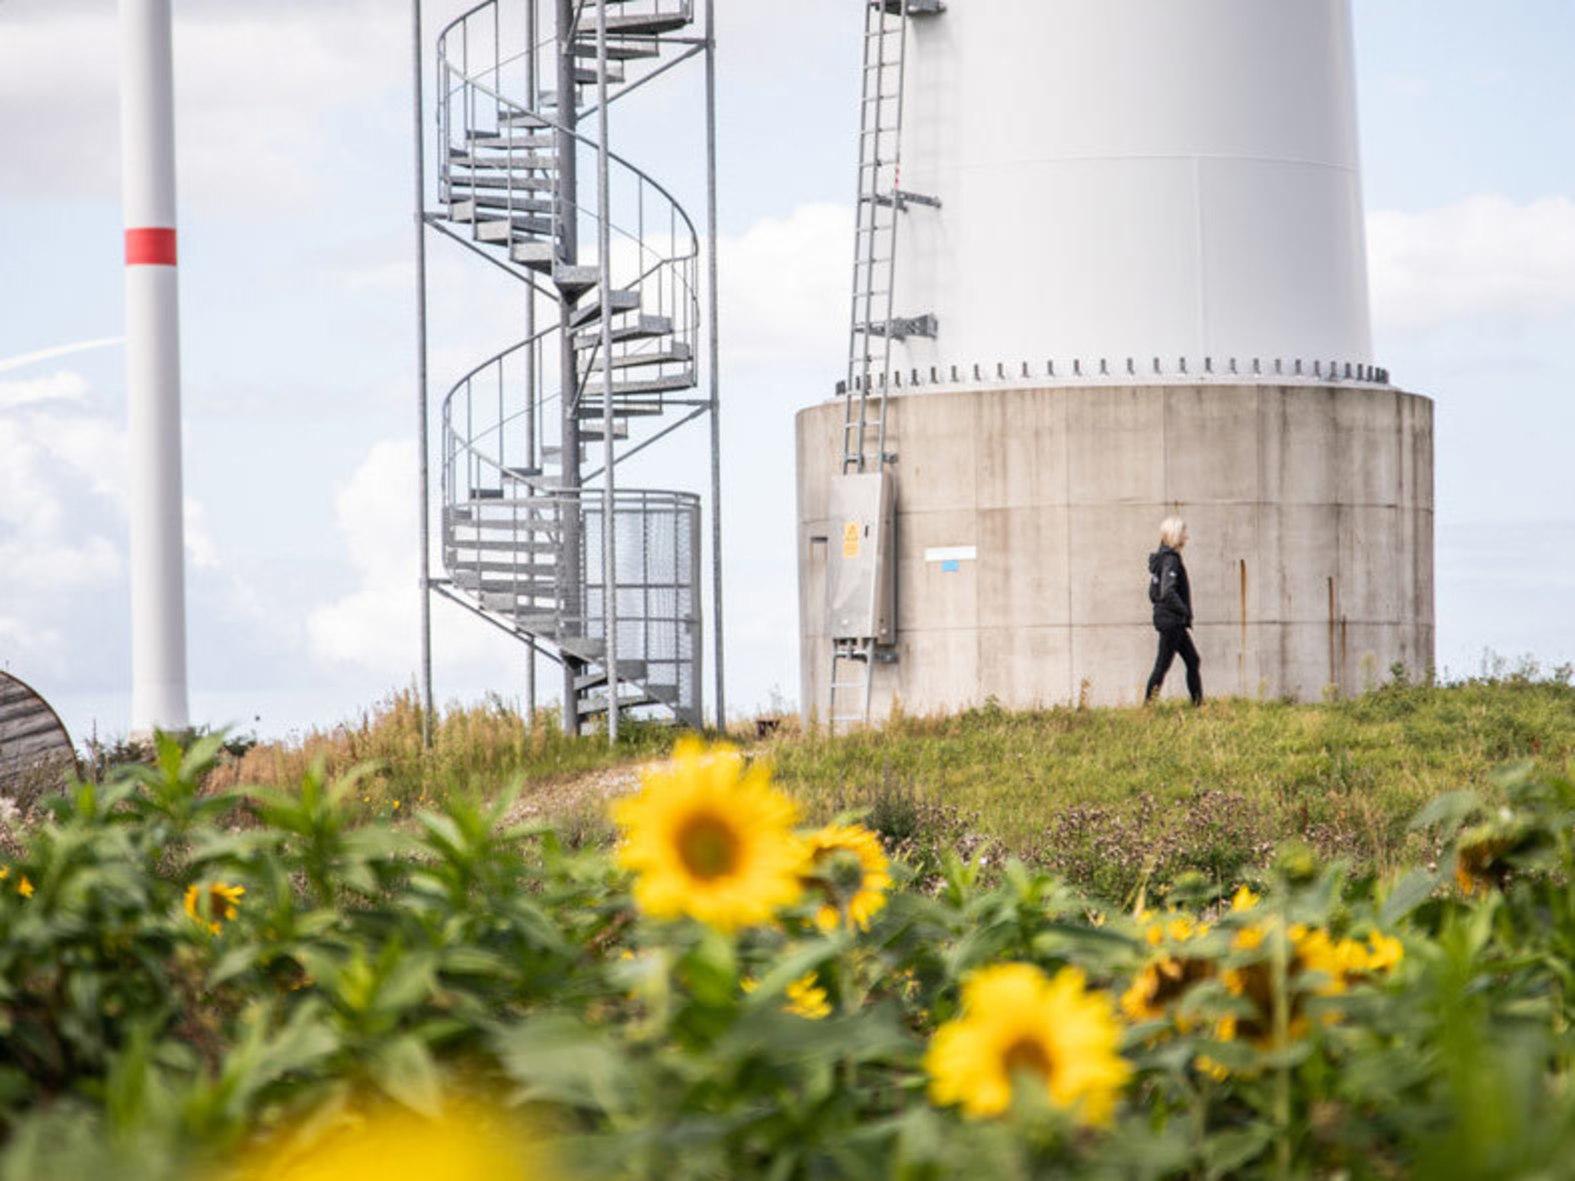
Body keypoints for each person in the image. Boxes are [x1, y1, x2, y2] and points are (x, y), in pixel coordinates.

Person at [1145, 517, 1203, 705]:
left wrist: (1161, 608)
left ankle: (1198, 704)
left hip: (1169, 619)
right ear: (1175, 535)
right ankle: (1148, 707)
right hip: (1172, 621)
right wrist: (1183, 610)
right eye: (1184, 533)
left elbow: (1153, 592)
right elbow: (1167, 591)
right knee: (1162, 665)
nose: (1186, 537)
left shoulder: (1160, 559)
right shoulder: (1171, 560)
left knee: (1192, 660)